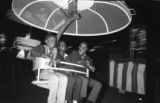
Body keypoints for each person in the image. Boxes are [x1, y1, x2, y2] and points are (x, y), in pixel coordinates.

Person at [30, 34, 68, 103]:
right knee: (55, 78)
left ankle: (61, 101)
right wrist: (44, 55)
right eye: (52, 41)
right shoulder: (42, 47)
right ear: (46, 41)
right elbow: (33, 51)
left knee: (64, 78)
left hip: (51, 72)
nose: (54, 42)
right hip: (41, 71)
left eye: (55, 41)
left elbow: (59, 60)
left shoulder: (55, 51)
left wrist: (58, 61)